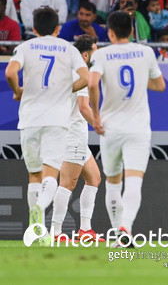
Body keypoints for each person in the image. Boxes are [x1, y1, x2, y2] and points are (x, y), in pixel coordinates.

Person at [4, 7, 88, 240]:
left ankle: (38, 230)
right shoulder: (69, 49)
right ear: (58, 27)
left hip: (30, 118)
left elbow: (10, 72)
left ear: (33, 28)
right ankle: (40, 208)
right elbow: (86, 78)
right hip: (57, 120)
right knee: (51, 174)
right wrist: (63, 90)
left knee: (34, 174)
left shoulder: (24, 47)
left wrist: (18, 91)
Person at [89, 10, 165, 246]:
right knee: (134, 181)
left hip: (109, 128)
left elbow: (92, 83)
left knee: (113, 182)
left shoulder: (101, 55)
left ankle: (116, 233)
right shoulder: (145, 52)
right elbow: (160, 86)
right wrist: (142, 80)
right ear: (132, 31)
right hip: (138, 129)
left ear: (109, 32)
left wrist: (95, 115)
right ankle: (126, 228)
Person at [50, 35, 104, 243]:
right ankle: (55, 232)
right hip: (72, 134)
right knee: (68, 183)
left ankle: (85, 231)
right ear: (85, 54)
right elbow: (83, 108)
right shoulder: (81, 73)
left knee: (94, 178)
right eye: (95, 51)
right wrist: (99, 125)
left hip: (74, 133)